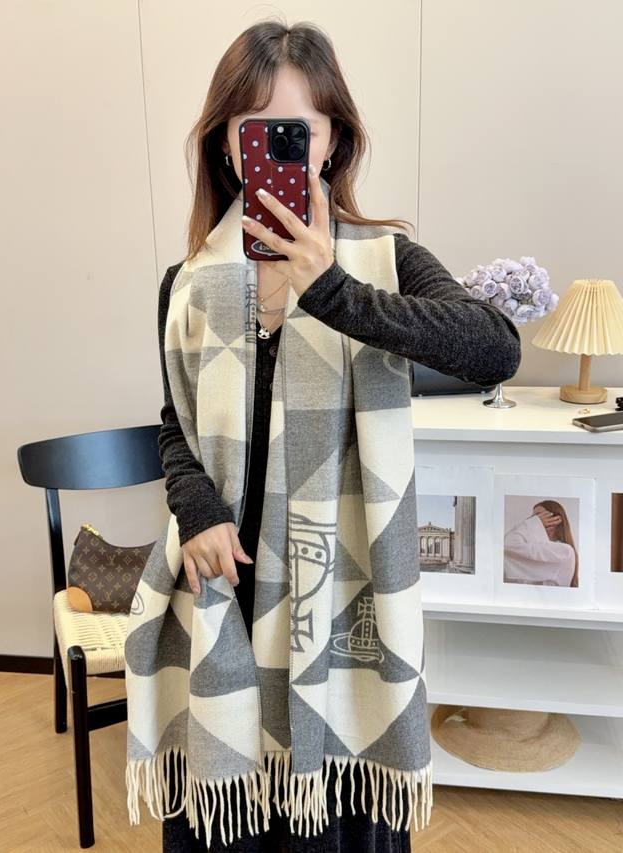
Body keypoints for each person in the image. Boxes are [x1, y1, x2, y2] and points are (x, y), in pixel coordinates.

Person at [155, 18, 521, 852]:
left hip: (341, 601)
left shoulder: (386, 259)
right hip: (223, 590)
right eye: (251, 128)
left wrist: (331, 291)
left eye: (295, 129)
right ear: (225, 146)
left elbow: (494, 347)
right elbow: (173, 422)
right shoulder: (186, 285)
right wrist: (196, 506)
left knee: (336, 825)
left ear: (331, 142)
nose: (273, 147)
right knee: (227, 820)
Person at [504, 501, 578, 587]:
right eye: (533, 519)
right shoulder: (537, 548)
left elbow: (508, 544)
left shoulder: (564, 551)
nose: (533, 522)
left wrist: (529, 524)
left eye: (538, 517)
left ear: (556, 520)